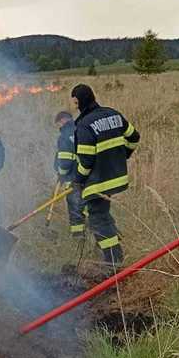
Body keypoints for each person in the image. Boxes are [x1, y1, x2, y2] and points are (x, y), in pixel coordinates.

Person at [71, 83, 140, 268]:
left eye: (75, 102)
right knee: (103, 213)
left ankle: (113, 263)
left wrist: (77, 180)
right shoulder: (113, 114)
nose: (75, 106)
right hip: (117, 177)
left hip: (98, 183)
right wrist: (124, 154)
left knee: (97, 220)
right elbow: (134, 137)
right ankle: (115, 249)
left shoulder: (84, 125)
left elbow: (85, 160)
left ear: (79, 101)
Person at [53, 110, 85, 239]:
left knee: (75, 207)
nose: (58, 128)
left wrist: (61, 174)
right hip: (87, 176)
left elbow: (65, 161)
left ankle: (78, 237)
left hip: (73, 178)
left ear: (62, 121)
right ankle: (103, 232)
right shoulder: (82, 129)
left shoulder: (64, 136)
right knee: (89, 206)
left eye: (58, 125)